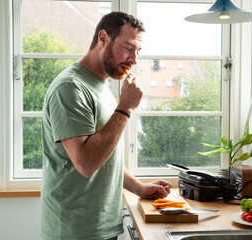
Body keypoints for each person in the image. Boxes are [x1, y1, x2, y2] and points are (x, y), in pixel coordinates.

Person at [40, 11, 172, 240]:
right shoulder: (71, 88)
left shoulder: (101, 86)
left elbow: (104, 156)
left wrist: (139, 187)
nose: (134, 59)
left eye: (137, 51)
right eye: (128, 48)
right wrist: (125, 108)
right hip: (75, 231)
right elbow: (86, 163)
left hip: (100, 227)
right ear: (103, 39)